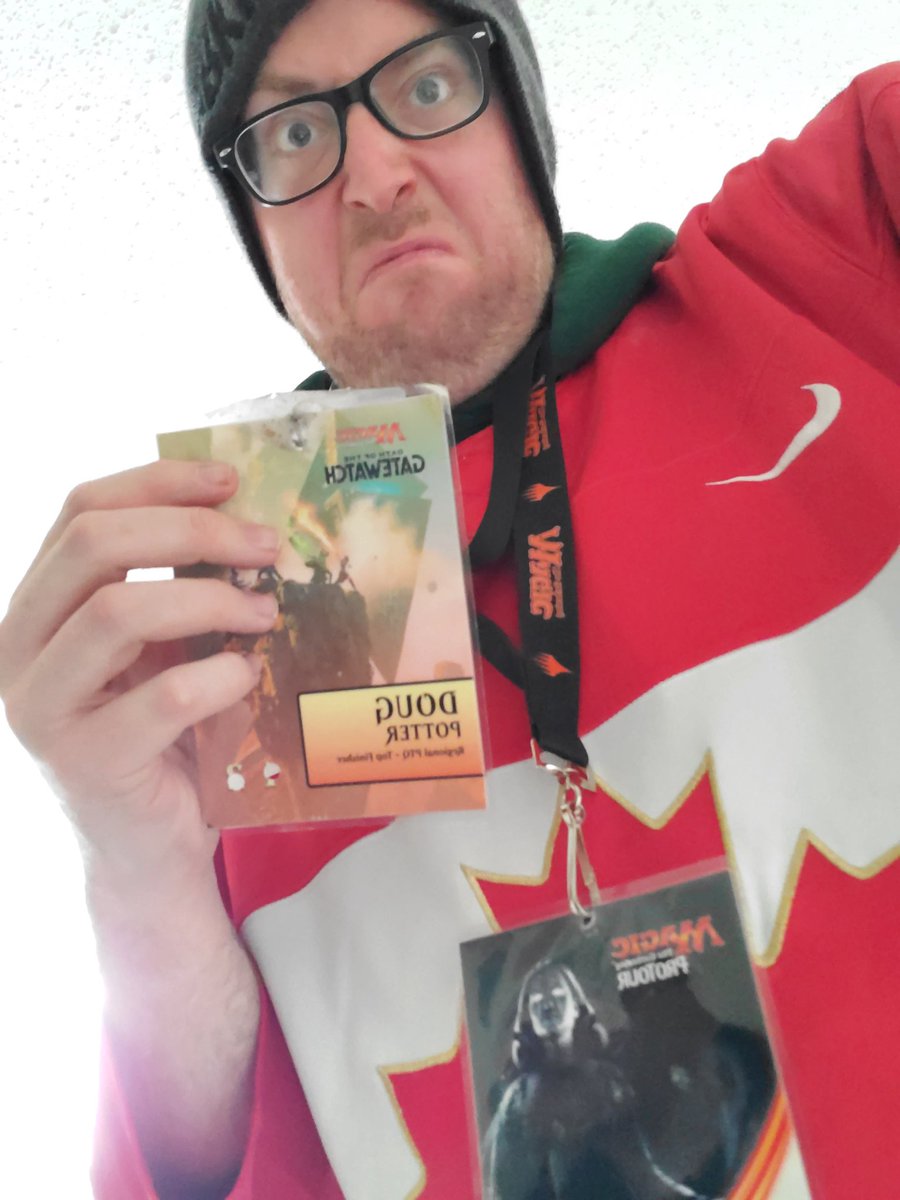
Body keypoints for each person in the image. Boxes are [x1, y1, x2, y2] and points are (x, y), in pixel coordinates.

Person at [0, 0, 896, 1197]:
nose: (373, 177)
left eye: (425, 87)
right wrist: (138, 870)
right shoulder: (226, 674)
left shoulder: (823, 264)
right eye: (296, 135)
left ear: (516, 114)